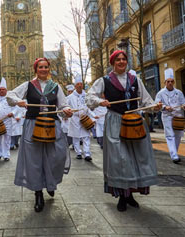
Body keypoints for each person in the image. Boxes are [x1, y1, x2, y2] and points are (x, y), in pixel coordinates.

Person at [86, 50, 162, 212]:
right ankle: (122, 195)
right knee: (120, 159)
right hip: (115, 121)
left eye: (124, 59)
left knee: (136, 158)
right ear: (113, 63)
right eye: (118, 59)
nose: (121, 62)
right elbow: (89, 97)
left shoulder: (135, 80)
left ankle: (130, 194)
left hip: (134, 122)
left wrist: (154, 106)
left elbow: (146, 100)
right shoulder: (104, 80)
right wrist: (100, 101)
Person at [7, 57, 72, 212]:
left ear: (49, 69)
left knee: (57, 156)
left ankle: (51, 182)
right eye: (40, 67)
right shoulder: (28, 85)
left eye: (46, 67)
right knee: (35, 159)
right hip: (33, 125)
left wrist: (66, 110)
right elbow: (10, 95)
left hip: (52, 125)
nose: (43, 69)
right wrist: (19, 101)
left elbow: (63, 105)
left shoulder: (55, 87)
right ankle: (38, 193)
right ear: (35, 69)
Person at [155, 68, 185, 164]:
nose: (170, 83)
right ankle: (174, 156)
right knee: (170, 136)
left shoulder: (179, 92)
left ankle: (174, 152)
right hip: (167, 116)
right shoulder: (160, 93)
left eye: (172, 81)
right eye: (168, 81)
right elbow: (157, 104)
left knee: (178, 135)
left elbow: (183, 102)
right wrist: (164, 107)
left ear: (174, 82)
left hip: (178, 116)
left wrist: (184, 106)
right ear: (165, 82)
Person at [68, 75, 96, 161]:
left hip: (85, 119)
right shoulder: (70, 97)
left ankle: (87, 153)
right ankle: (78, 152)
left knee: (86, 136)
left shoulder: (86, 96)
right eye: (78, 84)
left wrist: (94, 117)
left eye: (81, 84)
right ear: (75, 86)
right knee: (76, 137)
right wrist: (68, 112)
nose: (80, 85)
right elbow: (65, 106)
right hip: (75, 119)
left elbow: (88, 108)